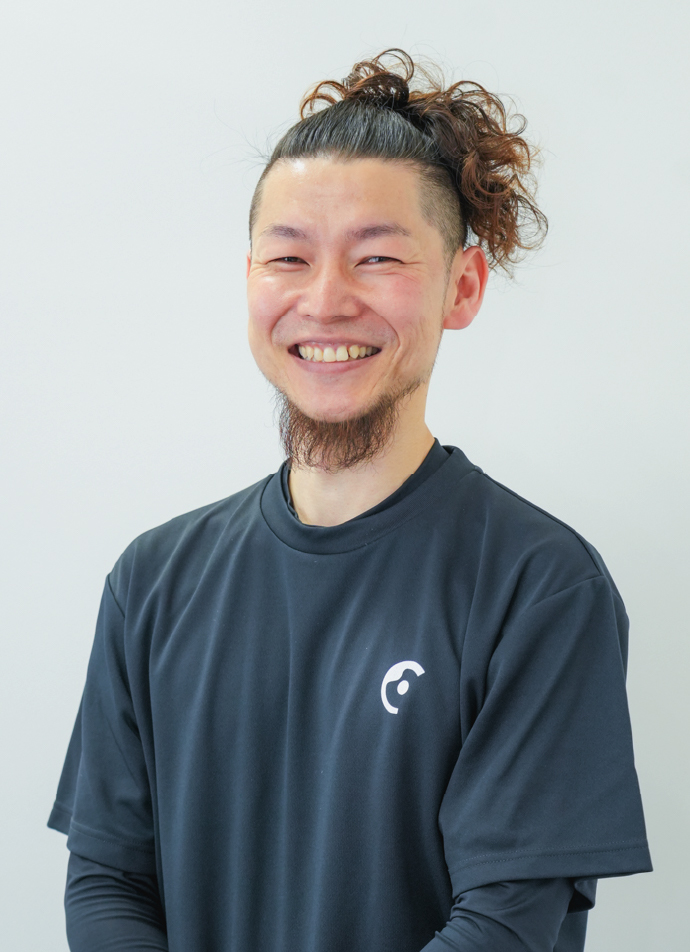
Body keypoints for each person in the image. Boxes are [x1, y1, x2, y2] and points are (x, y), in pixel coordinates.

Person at [48, 49, 652, 952]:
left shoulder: (539, 587)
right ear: (249, 279)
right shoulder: (154, 581)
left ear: (463, 286)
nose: (325, 300)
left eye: (377, 258)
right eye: (288, 257)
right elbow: (109, 882)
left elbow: (500, 926)